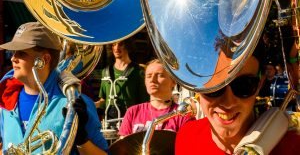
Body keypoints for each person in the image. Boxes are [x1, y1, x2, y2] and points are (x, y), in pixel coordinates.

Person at [0, 22, 108, 155]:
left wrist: (82, 139)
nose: (13, 58)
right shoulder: (6, 102)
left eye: (21, 53)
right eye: (13, 52)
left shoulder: (76, 103)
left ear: (44, 59)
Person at [175, 54, 300, 154]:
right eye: (214, 85)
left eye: (244, 85)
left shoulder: (292, 146)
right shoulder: (186, 136)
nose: (228, 102)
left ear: (260, 84)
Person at [118, 59, 194, 136]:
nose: (152, 80)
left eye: (160, 75)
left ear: (173, 81)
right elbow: (123, 146)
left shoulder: (183, 115)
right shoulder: (133, 112)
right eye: (149, 76)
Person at [95, 40, 148, 122]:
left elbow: (144, 102)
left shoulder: (138, 71)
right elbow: (104, 100)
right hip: (110, 121)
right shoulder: (105, 72)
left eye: (120, 44)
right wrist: (92, 104)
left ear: (128, 46)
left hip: (131, 121)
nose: (116, 48)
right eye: (114, 44)